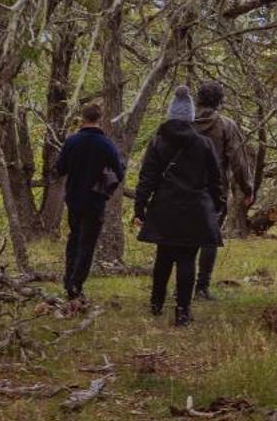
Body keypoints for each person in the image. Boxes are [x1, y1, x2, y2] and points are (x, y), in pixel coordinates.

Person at [133, 86, 224, 326]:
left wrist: (139, 207)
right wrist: (217, 204)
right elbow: (216, 178)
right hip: (195, 208)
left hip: (165, 207)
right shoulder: (204, 144)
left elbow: (147, 177)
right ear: (191, 117)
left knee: (163, 256)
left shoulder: (158, 142)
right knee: (187, 259)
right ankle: (183, 311)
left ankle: (156, 302)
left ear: (171, 115)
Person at [50, 100, 124, 304]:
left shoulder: (71, 142)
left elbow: (60, 168)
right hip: (95, 200)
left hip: (73, 199)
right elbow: (119, 172)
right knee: (87, 244)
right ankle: (76, 285)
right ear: (99, 118)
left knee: (74, 239)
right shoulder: (106, 144)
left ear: (83, 118)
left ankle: (69, 281)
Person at [190, 79, 255, 301]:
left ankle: (185, 285)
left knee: (186, 236)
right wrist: (247, 188)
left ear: (198, 99)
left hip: (182, 187)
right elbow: (238, 161)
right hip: (214, 189)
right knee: (210, 236)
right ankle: (201, 287)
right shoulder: (227, 125)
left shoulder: (183, 122)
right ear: (219, 101)